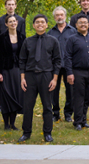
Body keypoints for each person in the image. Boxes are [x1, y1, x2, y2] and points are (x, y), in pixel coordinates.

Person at [18, 15, 61, 143]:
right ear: (34, 25)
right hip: (30, 76)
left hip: (46, 76)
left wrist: (54, 79)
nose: (40, 24)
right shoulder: (28, 41)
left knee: (47, 106)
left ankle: (47, 133)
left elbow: (58, 61)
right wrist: (22, 78)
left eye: (42, 22)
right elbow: (22, 60)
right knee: (28, 106)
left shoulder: (53, 41)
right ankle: (26, 132)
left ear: (47, 25)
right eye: (37, 22)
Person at [64, 15, 89, 131]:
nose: (83, 24)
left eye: (85, 22)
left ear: (88, 25)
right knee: (78, 97)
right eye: (80, 23)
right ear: (76, 25)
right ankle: (77, 122)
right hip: (77, 72)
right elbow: (67, 57)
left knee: (87, 97)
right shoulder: (72, 39)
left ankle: (84, 120)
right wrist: (69, 73)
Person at [0, 0, 26, 114]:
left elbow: (23, 37)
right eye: (8, 4)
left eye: (13, 4)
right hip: (4, 54)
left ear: (15, 6)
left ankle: (18, 103)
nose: (11, 6)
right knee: (4, 80)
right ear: (5, 6)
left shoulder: (21, 20)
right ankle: (2, 104)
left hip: (17, 55)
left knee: (18, 81)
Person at [47, 6, 76, 123]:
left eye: (61, 15)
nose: (59, 17)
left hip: (69, 66)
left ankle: (68, 113)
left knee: (70, 91)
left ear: (65, 16)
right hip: (54, 67)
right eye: (57, 15)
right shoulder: (50, 32)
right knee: (53, 90)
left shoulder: (73, 31)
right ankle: (55, 113)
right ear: (54, 17)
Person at [0, 15, 25, 130]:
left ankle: (12, 123)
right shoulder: (2, 37)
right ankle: (6, 124)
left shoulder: (22, 37)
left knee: (15, 95)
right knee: (6, 96)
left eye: (14, 21)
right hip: (5, 70)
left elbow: (24, 55)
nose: (13, 23)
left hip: (17, 70)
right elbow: (0, 56)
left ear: (17, 22)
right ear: (6, 24)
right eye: (10, 22)